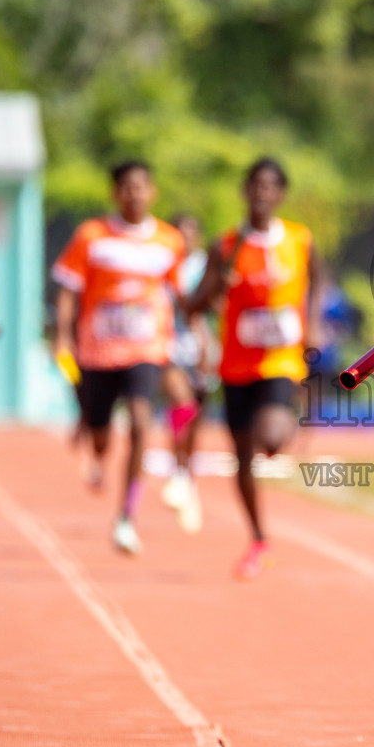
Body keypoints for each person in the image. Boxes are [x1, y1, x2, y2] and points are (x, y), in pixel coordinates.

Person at [187, 158, 321, 580]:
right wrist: (214, 287)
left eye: (270, 186)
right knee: (243, 457)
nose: (261, 192)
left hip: (280, 360)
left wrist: (313, 322)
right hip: (235, 364)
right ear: (245, 191)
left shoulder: (299, 239)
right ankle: (259, 539)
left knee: (271, 440)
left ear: (279, 194)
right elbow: (193, 304)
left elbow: (319, 280)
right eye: (254, 185)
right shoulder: (225, 246)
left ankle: (288, 416)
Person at [52, 160, 191, 555]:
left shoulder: (169, 241)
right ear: (115, 193)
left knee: (141, 422)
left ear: (153, 192)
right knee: (100, 437)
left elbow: (182, 296)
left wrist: (196, 331)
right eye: (126, 187)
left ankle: (126, 517)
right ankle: (96, 450)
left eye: (141, 186)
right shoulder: (92, 236)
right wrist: (62, 335)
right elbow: (67, 288)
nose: (134, 194)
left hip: (146, 350)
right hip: (97, 353)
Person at [161, 213, 217, 532]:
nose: (185, 239)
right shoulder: (163, 264)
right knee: (180, 405)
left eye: (191, 233)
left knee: (196, 419)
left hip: (202, 346)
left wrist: (208, 343)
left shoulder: (206, 265)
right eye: (179, 233)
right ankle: (178, 473)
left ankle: (188, 481)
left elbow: (215, 303)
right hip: (169, 343)